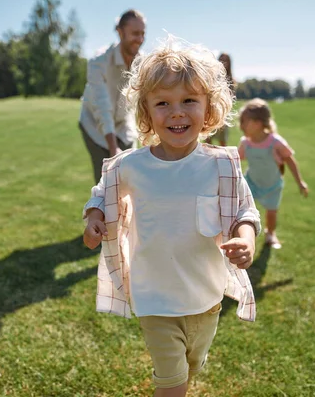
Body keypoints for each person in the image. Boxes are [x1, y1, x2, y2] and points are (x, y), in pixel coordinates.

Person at [82, 37, 261, 397]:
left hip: (206, 299)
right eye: (163, 103)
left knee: (191, 366)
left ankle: (183, 369)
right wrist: (94, 216)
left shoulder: (220, 165)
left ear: (209, 109)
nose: (177, 112)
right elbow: (103, 190)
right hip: (154, 298)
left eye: (189, 101)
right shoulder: (132, 166)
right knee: (172, 382)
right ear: (147, 113)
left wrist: (246, 238)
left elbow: (244, 209)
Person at [79, 9, 146, 184]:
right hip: (95, 126)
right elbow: (102, 106)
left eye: (142, 34)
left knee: (131, 177)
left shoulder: (143, 64)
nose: (139, 39)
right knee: (106, 182)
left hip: (124, 125)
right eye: (135, 33)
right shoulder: (98, 62)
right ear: (120, 32)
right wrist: (113, 147)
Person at [237, 98, 309, 249]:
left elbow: (290, 160)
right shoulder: (245, 143)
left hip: (273, 185)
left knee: (271, 212)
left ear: (257, 123)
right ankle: (239, 233)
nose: (241, 125)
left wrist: (300, 182)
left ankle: (271, 234)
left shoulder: (274, 142)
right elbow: (236, 160)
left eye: (244, 121)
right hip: (252, 182)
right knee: (241, 207)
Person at [207, 52, 236, 146]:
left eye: (226, 60)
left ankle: (222, 159)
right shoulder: (212, 77)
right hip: (211, 111)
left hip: (224, 113)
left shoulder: (231, 80)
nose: (224, 62)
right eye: (222, 59)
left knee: (222, 140)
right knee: (208, 137)